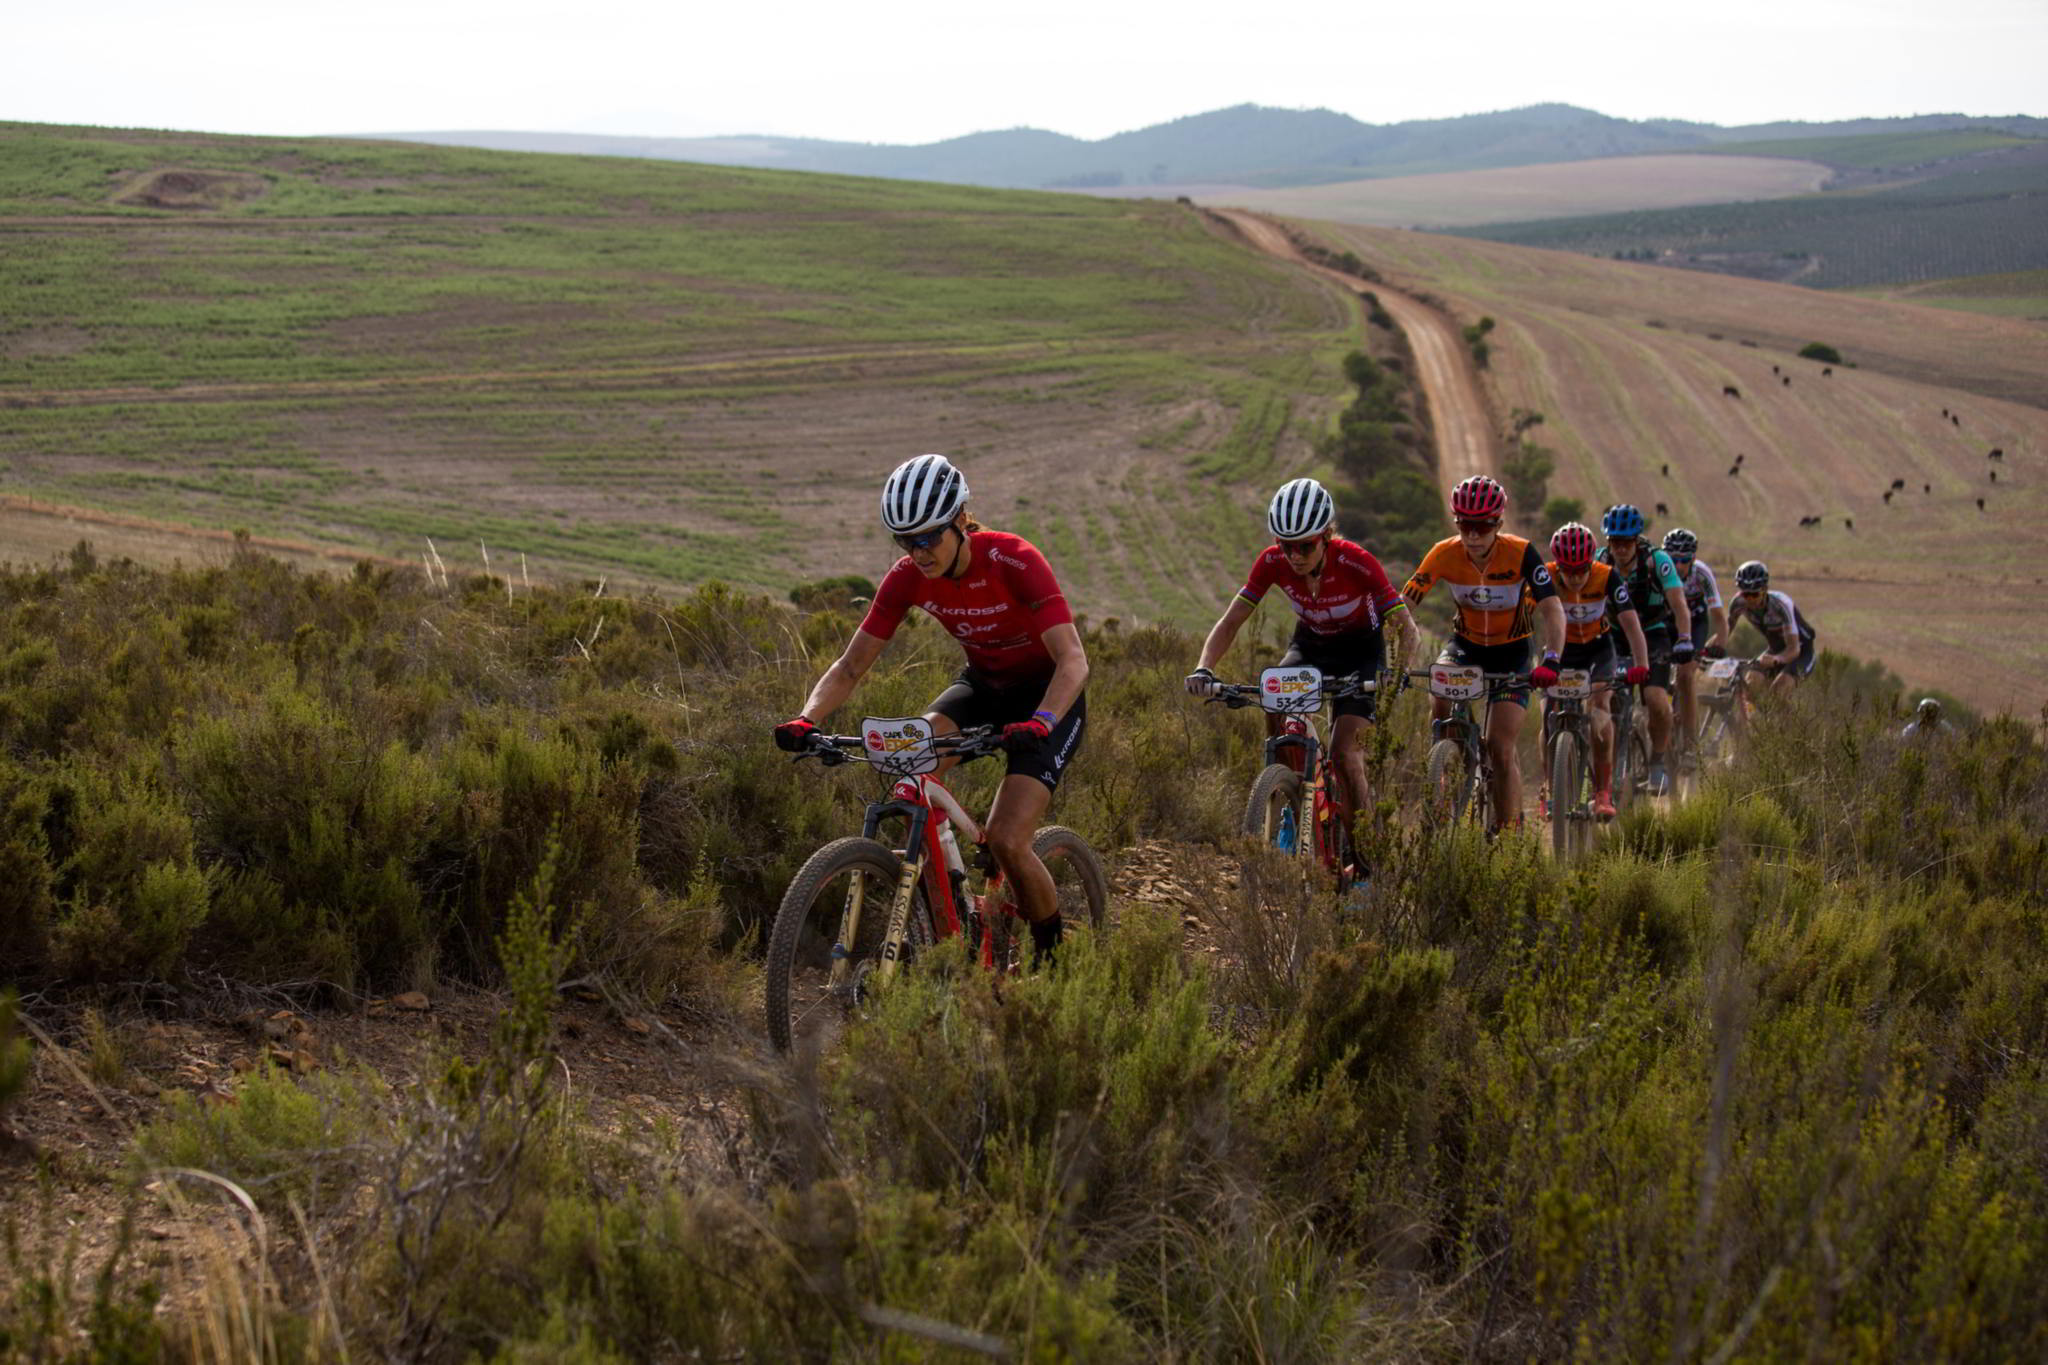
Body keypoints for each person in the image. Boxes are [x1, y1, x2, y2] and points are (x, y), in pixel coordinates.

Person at [772, 454, 1088, 963]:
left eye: (927, 538)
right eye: (904, 540)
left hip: (1048, 698)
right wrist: (807, 719)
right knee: (907, 767)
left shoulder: (1014, 559)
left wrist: (1042, 721)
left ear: (962, 520)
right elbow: (851, 666)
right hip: (983, 689)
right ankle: (952, 907)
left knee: (1008, 838)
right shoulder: (907, 578)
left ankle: (1054, 959)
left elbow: (1073, 661)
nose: (918, 552)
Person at [1185, 477, 1418, 848]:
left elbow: (1408, 629)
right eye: (1285, 545)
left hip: (1361, 653)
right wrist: (1203, 667)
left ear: (1327, 535)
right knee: (1273, 697)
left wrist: (1398, 673)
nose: (1294, 555)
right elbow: (1231, 621)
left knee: (1345, 753)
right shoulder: (1271, 563)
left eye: (1305, 546)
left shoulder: (1357, 563)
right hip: (1310, 646)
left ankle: (1365, 858)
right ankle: (1289, 792)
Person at [1401, 475, 1566, 830]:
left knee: (1500, 748)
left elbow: (1553, 609)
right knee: (1439, 694)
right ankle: (1448, 764)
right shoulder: (1443, 552)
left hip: (1513, 653)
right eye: (1465, 525)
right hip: (1466, 647)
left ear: (1498, 523)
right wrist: (1394, 655)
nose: (1473, 535)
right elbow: (1404, 607)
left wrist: (1551, 660)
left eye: (1482, 526)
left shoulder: (1522, 553)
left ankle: (1507, 831)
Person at [1546, 523, 1651, 819]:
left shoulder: (1607, 576)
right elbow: (1523, 619)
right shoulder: (1547, 575)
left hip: (1598, 649)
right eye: (1569, 570)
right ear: (1558, 564)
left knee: (1600, 705)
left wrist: (1642, 664)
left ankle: (1603, 791)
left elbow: (1631, 623)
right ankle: (1548, 788)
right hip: (1562, 650)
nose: (1576, 578)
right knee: (1549, 713)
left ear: (1592, 562)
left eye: (1582, 570)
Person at [1596, 504, 1693, 795]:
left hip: (1652, 633)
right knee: (1601, 697)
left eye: (1627, 542)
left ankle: (1657, 761)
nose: (1621, 548)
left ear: (1637, 540)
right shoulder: (1601, 562)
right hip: (1614, 634)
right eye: (1615, 541)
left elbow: (1678, 603)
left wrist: (1685, 637)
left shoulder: (1657, 561)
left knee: (1656, 700)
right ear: (1608, 541)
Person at [1663, 527, 1730, 766]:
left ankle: (1691, 743)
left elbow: (1718, 615)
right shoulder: (1659, 570)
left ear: (1693, 558)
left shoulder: (1702, 574)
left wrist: (1721, 641)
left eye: (1684, 560)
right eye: (1673, 559)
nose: (1678, 565)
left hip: (1695, 623)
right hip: (1667, 620)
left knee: (1685, 674)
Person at [1727, 560, 1816, 694]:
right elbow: (1723, 634)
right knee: (1750, 683)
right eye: (1745, 594)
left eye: (1754, 594)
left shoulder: (1780, 605)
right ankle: (1752, 715)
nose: (1749, 599)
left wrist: (1777, 659)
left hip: (1801, 651)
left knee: (1779, 690)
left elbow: (1794, 649)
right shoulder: (1738, 604)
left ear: (1765, 590)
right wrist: (1705, 650)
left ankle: (1786, 715)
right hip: (1775, 650)